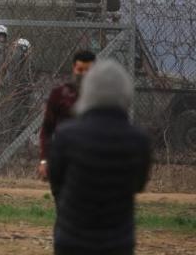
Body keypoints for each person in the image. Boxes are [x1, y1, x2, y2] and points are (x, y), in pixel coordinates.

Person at [49, 59, 151, 255]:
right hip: (118, 242)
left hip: (71, 240)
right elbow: (138, 185)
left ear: (87, 93)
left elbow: (57, 181)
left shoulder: (66, 135)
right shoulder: (139, 140)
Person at [38, 49, 95, 181]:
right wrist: (44, 160)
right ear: (74, 68)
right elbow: (47, 129)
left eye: (88, 70)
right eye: (80, 70)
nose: (84, 74)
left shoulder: (104, 97)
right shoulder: (59, 95)